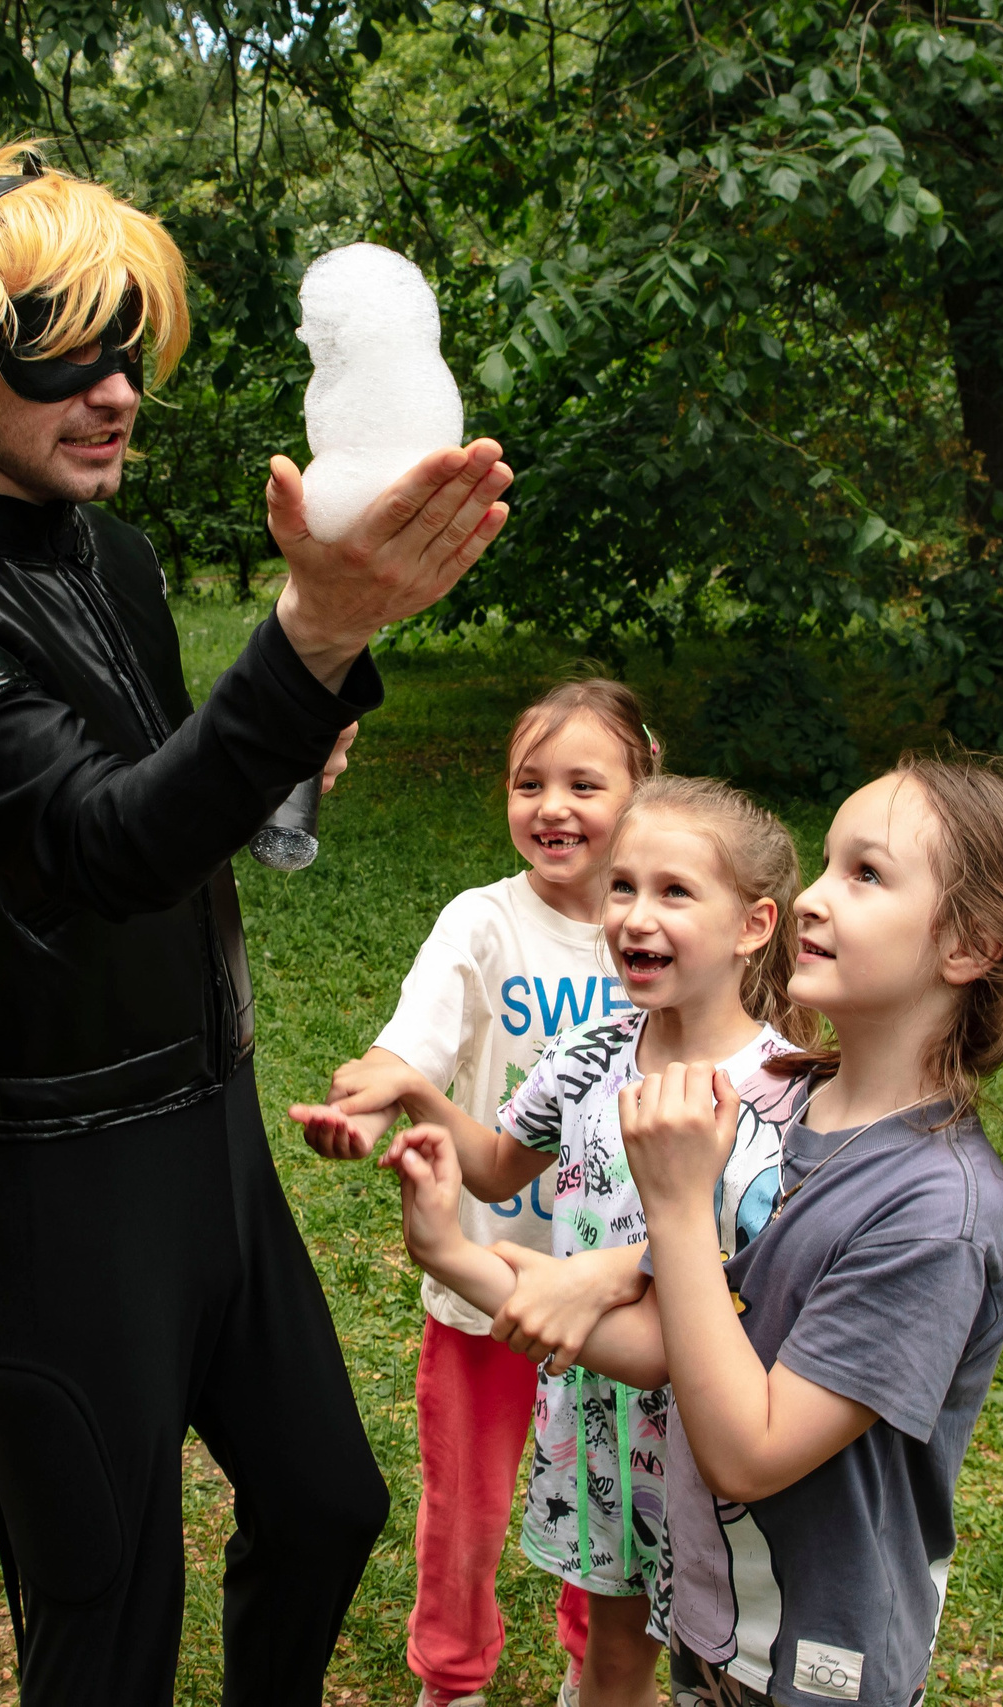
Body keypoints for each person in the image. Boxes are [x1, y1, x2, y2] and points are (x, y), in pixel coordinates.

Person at [0, 132, 512, 1706]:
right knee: (109, 1612)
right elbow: (99, 847)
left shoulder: (105, 555)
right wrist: (307, 636)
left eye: (129, 352)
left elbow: (187, 801)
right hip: (56, 1183)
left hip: (212, 1133)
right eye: (61, 355)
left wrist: (301, 711)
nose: (113, 393)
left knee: (328, 1501)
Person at [392, 754, 1003, 1707]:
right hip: (711, 1609)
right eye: (825, 863)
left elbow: (749, 1446)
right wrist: (459, 1256)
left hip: (816, 1662)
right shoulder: (800, 1113)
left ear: (969, 943)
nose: (812, 896)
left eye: (864, 873)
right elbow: (671, 1348)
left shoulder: (934, 1216)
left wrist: (680, 1209)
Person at [311, 776, 814, 1707]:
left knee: (727, 1667)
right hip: (602, 1423)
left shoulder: (786, 1090)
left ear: (754, 924)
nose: (633, 915)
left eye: (674, 892)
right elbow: (500, 1166)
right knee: (615, 1656)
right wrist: (427, 1112)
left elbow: (766, 1268)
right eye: (622, 888)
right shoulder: (589, 1050)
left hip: (718, 1427)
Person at [296, 679, 659, 1707]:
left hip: (619, 1305)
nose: (552, 806)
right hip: (484, 1290)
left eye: (584, 783)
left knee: (615, 1505)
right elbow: (406, 1048)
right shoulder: (483, 925)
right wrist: (364, 1111)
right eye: (527, 782)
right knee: (468, 1514)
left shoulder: (662, 929)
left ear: (643, 784)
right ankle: (450, 1682)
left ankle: (597, 1672)